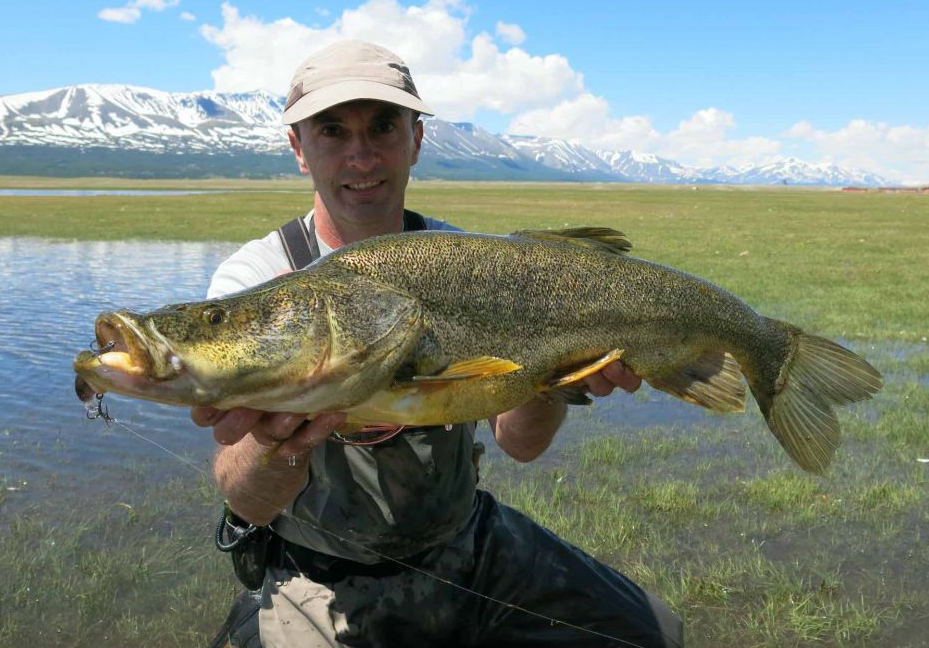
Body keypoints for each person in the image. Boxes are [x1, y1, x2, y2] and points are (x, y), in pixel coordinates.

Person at [193, 40, 684, 647]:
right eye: (332, 131)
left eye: (382, 127)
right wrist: (276, 443)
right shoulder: (258, 285)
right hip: (319, 575)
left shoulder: (466, 259)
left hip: (467, 541)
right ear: (299, 147)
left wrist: (553, 378)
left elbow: (520, 445)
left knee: (650, 632)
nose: (361, 155)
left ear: (416, 140)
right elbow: (245, 497)